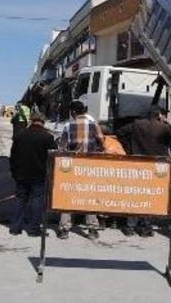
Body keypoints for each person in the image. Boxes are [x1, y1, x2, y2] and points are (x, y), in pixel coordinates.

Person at [116, 108, 171, 237]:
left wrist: (129, 148)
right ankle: (146, 226)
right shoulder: (163, 127)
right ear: (158, 115)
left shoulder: (137, 124)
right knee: (149, 195)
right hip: (154, 166)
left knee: (135, 195)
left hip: (138, 163)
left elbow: (120, 132)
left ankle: (130, 226)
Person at [57, 100, 104, 240]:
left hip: (73, 166)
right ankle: (92, 230)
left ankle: (64, 229)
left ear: (73, 112)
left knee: (68, 196)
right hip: (90, 166)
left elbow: (62, 147)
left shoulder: (68, 125)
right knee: (89, 196)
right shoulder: (94, 124)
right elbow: (102, 141)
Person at [9, 111, 57, 236]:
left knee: (20, 200)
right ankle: (34, 229)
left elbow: (13, 155)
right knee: (37, 202)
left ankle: (15, 228)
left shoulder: (20, 135)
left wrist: (14, 171)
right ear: (42, 121)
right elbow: (54, 155)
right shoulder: (47, 137)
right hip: (39, 175)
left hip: (21, 174)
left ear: (31, 120)